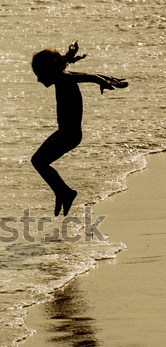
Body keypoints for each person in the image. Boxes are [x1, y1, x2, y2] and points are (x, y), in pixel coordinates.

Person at [31, 41, 128, 216]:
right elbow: (88, 74)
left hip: (69, 135)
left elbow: (88, 77)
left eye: (39, 74)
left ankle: (64, 192)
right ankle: (63, 192)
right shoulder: (64, 76)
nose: (38, 80)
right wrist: (106, 78)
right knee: (38, 161)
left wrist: (102, 81)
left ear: (49, 71)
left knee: (38, 162)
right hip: (66, 133)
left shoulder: (63, 78)